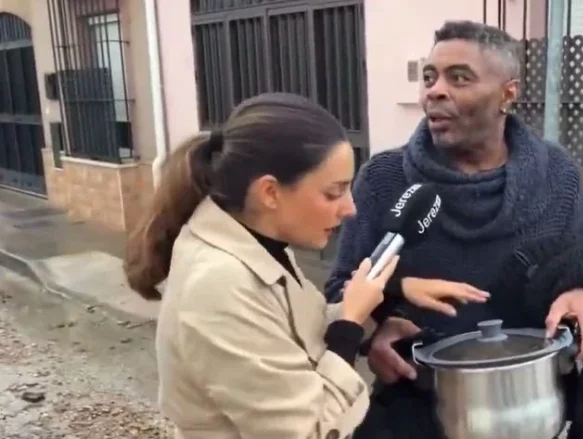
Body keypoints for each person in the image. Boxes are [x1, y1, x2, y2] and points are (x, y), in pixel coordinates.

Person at [122, 93, 486, 439]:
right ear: (270, 193)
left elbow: (294, 336)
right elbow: (307, 431)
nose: (350, 209)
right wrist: (351, 323)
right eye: (333, 192)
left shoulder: (257, 245)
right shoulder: (219, 283)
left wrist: (389, 295)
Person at [324, 21, 583, 437]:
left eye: (459, 78)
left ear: (507, 94)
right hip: (417, 405)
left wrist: (581, 294)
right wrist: (374, 334)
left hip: (533, 408)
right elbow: (341, 290)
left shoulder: (557, 176)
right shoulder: (383, 180)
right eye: (430, 77)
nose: (435, 91)